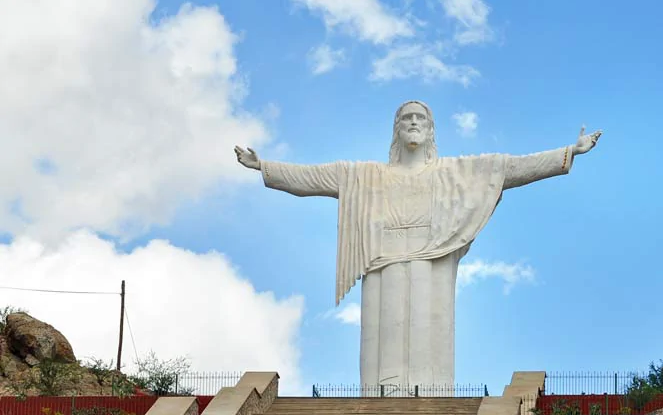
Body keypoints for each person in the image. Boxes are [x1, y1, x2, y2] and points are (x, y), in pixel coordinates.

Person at [235, 101, 601, 390]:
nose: (413, 122)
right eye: (406, 118)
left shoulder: (454, 172)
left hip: (432, 254)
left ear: (429, 131)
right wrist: (265, 166)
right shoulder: (364, 175)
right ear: (396, 130)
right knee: (382, 336)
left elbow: (509, 169)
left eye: (420, 119)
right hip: (383, 257)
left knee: (431, 328)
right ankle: (380, 399)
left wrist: (567, 153)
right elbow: (310, 177)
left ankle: (431, 394)